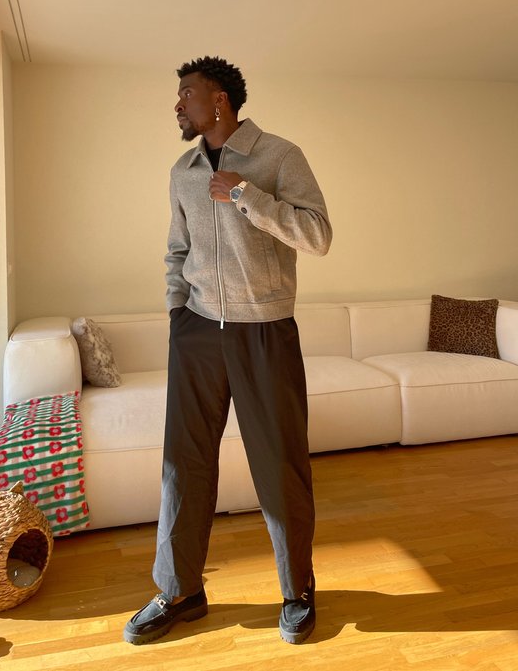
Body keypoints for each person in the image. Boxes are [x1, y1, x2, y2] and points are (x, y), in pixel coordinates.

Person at [123, 56, 332, 646]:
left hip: (263, 329)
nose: (177, 105)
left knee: (279, 464)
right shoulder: (183, 171)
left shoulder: (279, 156)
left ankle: (297, 588)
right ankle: (180, 590)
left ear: (219, 100)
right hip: (196, 329)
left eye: (186, 94)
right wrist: (176, 312)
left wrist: (245, 195)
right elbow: (177, 249)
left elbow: (318, 235)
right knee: (182, 464)